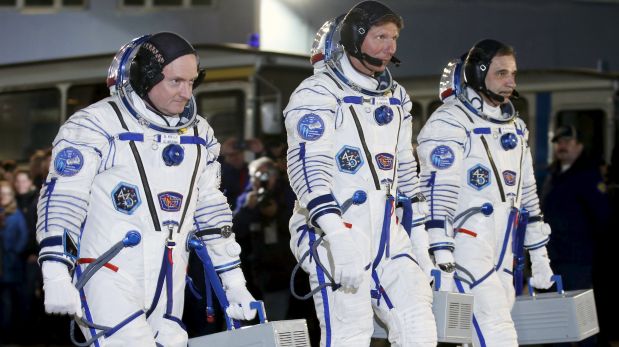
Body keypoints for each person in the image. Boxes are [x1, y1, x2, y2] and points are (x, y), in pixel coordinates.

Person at [35, 32, 257, 346]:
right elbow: (63, 199)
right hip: (108, 274)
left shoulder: (199, 134)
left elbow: (210, 209)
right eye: (176, 81)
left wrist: (234, 281)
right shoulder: (95, 125)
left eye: (192, 82)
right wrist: (56, 270)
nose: (186, 93)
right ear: (145, 77)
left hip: (170, 281)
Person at [284, 2, 437, 346]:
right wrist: (338, 237)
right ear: (355, 38)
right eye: (380, 36)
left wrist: (421, 244)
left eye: (394, 37)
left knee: (419, 326)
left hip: (387, 233)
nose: (390, 46)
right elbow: (307, 170)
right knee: (350, 332)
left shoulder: (395, 98)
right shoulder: (318, 94)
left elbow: (406, 173)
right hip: (334, 231)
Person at [416, 39, 555, 346]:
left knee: (486, 330)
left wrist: (539, 255)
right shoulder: (449, 122)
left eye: (513, 74)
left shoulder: (515, 128)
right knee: (497, 331)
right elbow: (437, 196)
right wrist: (441, 256)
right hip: (468, 243)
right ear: (478, 74)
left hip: (506, 246)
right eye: (502, 73)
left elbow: (528, 193)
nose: (510, 82)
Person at [541, 125, 610, 346]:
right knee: (555, 317)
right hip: (553, 259)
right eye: (559, 142)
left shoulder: (587, 176)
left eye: (568, 142)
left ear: (579, 146)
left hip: (578, 260)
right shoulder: (553, 175)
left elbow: (603, 217)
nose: (562, 146)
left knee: (582, 319)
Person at [0, 180, 29, 343]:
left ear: (11, 196)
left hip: (11, 265)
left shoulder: (16, 215)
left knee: (9, 301)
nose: (3, 197)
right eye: (0, 193)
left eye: (6, 193)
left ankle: (9, 334)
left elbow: (23, 238)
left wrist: (14, 254)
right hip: (2, 265)